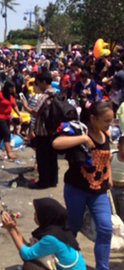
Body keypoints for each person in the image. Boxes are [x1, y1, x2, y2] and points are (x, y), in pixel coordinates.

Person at [52, 101, 113, 270]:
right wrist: (84, 139)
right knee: (73, 226)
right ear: (93, 119)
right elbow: (56, 144)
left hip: (99, 191)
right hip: (76, 189)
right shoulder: (80, 131)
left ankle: (102, 267)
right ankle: (66, 262)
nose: (110, 125)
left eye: (111, 121)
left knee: (106, 228)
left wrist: (110, 176)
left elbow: (107, 158)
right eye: (106, 121)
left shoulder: (106, 134)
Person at [1, 198, 86, 270]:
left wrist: (11, 230)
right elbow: (29, 247)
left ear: (46, 216)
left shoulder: (51, 239)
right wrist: (14, 228)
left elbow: (26, 254)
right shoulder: (59, 230)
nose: (34, 215)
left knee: (30, 265)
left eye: (37, 213)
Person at [30, 71, 59, 189]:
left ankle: (43, 182)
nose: (37, 86)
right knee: (52, 157)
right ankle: (53, 180)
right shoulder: (57, 93)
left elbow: (36, 113)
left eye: (38, 83)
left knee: (42, 158)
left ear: (43, 82)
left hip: (43, 131)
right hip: (54, 130)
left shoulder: (44, 96)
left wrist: (26, 105)